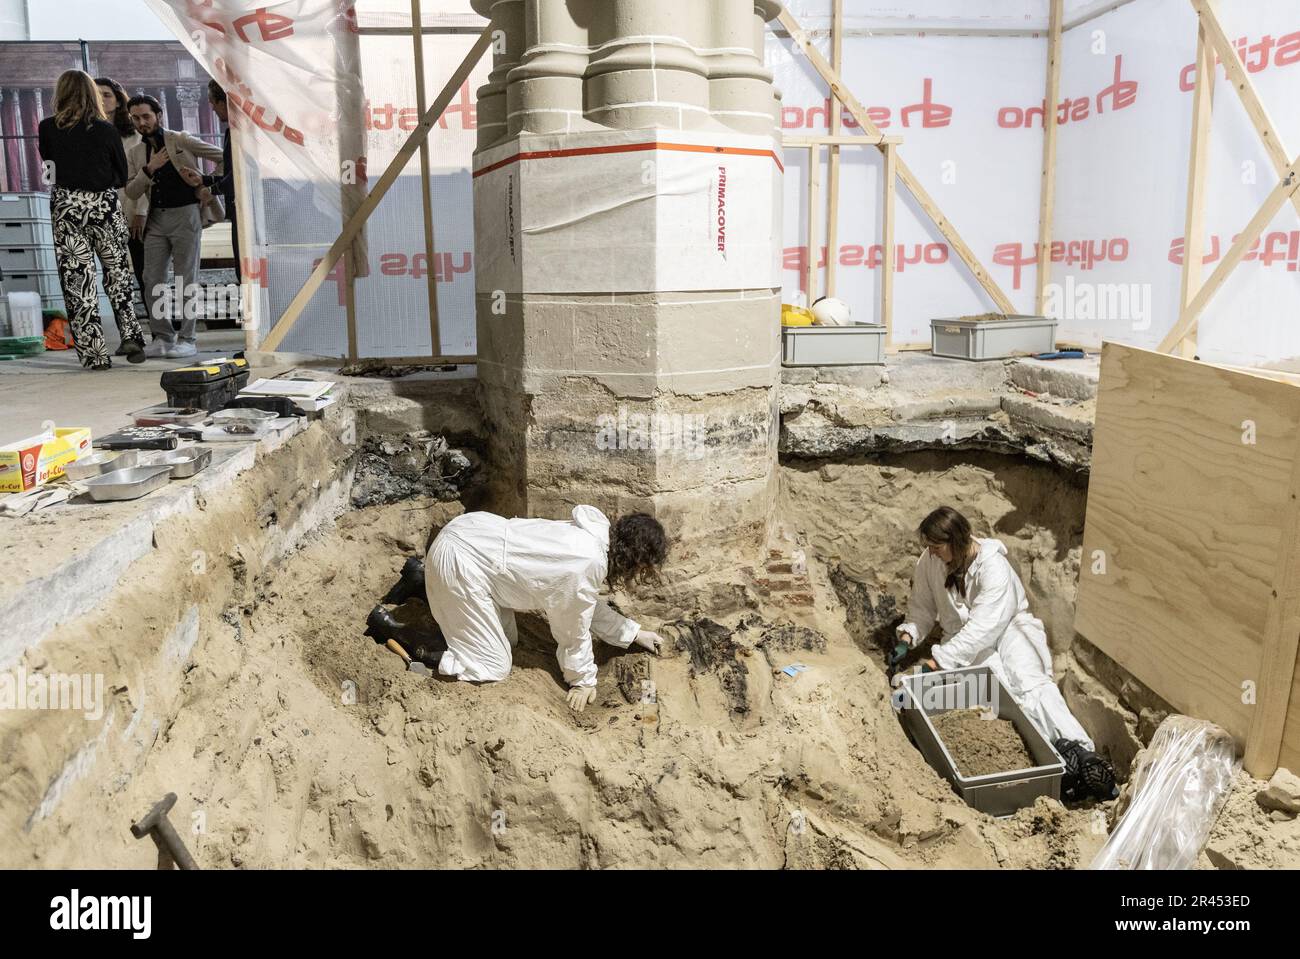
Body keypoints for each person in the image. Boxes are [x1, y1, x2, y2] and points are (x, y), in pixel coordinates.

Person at [894, 506, 1100, 754]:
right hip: (965, 641)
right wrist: (908, 637)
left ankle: (1080, 750)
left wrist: (937, 662)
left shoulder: (993, 567)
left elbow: (984, 627)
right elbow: (922, 607)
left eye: (937, 547)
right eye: (930, 547)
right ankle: (1049, 754)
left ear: (956, 541)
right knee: (1000, 693)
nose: (932, 553)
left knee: (1031, 683)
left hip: (1011, 630)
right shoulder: (930, 561)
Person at [422, 507, 668, 712]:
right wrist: (582, 681)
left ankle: (418, 579)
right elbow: (573, 630)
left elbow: (584, 604)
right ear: (635, 558)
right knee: (492, 666)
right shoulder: (585, 563)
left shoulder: (595, 534)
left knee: (509, 640)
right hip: (460, 562)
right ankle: (414, 644)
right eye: (643, 569)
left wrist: (634, 633)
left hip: (471, 533)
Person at [36, 70, 146, 370]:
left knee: (78, 281)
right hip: (103, 206)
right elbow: (122, 176)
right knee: (118, 275)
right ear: (91, 94)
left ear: (60, 93)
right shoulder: (106, 130)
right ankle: (131, 334)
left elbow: (49, 169)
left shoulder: (46, 128)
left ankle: (95, 354)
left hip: (66, 209)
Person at [123, 94, 224, 359]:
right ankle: (163, 336)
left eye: (146, 116)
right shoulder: (136, 153)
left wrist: (207, 183)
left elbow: (223, 157)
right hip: (156, 218)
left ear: (159, 115)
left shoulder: (180, 139)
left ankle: (188, 338)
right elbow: (132, 192)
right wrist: (149, 169)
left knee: (185, 278)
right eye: (136, 118)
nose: (141, 122)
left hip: (186, 215)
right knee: (150, 278)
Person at [94, 77, 145, 355]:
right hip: (104, 212)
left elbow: (145, 174)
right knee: (115, 275)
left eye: (107, 95)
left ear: (118, 99)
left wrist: (140, 211)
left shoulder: (133, 134)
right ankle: (128, 333)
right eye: (97, 95)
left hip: (133, 206)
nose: (102, 100)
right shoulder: (90, 133)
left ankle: (160, 331)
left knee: (144, 270)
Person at [184, 80, 239, 283]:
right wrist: (205, 179)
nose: (212, 108)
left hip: (247, 213)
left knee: (246, 269)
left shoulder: (240, 133)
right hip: (240, 211)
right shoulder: (232, 131)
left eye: (213, 102)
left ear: (224, 102)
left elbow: (240, 176)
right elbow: (233, 173)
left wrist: (212, 189)